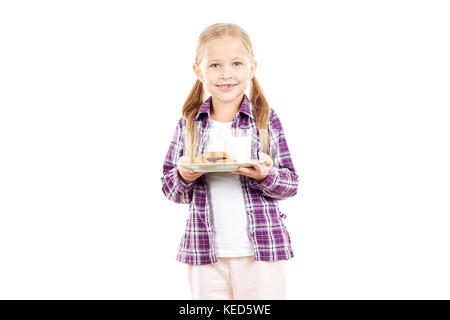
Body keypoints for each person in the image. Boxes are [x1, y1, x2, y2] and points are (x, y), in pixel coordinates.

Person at [160, 23, 299, 300]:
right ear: (198, 71)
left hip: (261, 251)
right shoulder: (189, 125)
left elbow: (291, 184)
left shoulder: (265, 120)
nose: (226, 74)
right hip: (204, 252)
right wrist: (185, 176)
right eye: (214, 65)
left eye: (236, 63)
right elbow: (169, 187)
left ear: (251, 67)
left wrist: (264, 176)